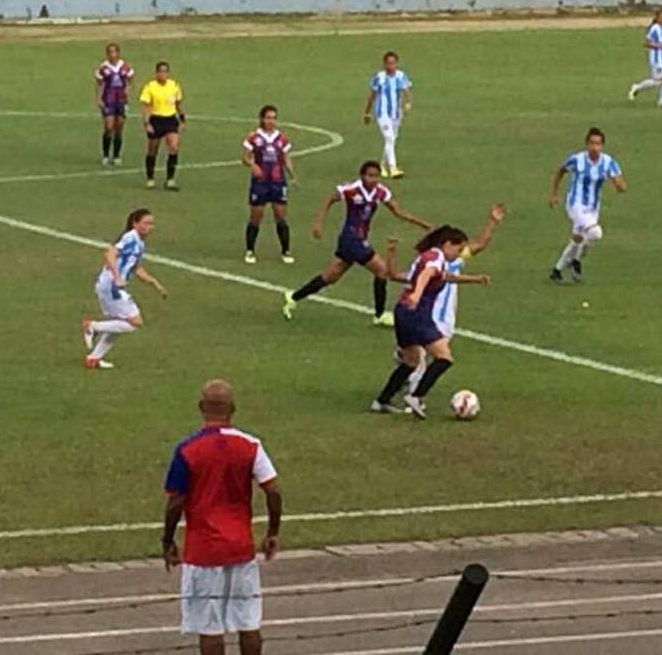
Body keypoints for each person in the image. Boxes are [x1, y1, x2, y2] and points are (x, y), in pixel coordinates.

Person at [163, 379, 282, 655]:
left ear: (201, 407)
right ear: (233, 408)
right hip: (240, 547)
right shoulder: (250, 445)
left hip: (203, 551)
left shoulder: (187, 449)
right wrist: (272, 532)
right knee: (249, 622)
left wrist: (167, 540)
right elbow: (273, 491)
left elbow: (175, 502)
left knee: (209, 627)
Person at [381, 204, 506, 414]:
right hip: (428, 314)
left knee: (420, 358)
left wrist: (492, 222)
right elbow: (414, 276)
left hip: (444, 316)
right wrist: (416, 294)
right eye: (458, 248)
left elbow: (479, 245)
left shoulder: (451, 260)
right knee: (431, 358)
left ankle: (394, 394)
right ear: (446, 244)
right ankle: (414, 399)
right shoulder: (432, 261)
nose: (460, 252)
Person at [282, 160, 430, 326]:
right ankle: (380, 315)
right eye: (370, 176)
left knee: (329, 277)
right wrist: (318, 222)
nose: (373, 179)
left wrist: (423, 224)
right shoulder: (352, 189)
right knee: (382, 270)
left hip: (356, 240)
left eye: (376, 176)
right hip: (351, 239)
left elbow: (398, 211)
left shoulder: (380, 192)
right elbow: (329, 198)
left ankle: (293, 297)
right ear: (362, 176)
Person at [81, 208, 168, 369]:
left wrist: (154, 283)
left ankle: (94, 358)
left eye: (151, 224)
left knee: (121, 323)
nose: (150, 227)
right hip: (111, 286)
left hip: (110, 286)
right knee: (135, 322)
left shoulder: (139, 242)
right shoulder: (130, 238)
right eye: (146, 223)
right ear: (135, 223)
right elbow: (109, 253)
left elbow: (135, 267)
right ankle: (93, 326)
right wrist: (117, 276)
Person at [548, 127, 627, 284]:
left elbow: (619, 181)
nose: (594, 147)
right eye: (592, 143)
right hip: (575, 204)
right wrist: (554, 193)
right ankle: (576, 261)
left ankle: (557, 271)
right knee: (595, 233)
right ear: (586, 144)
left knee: (578, 238)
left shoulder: (608, 162)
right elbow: (560, 171)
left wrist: (620, 186)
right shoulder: (577, 159)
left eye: (598, 144)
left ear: (602, 145)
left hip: (593, 207)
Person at [241, 105, 296, 265]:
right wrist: (253, 166)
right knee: (256, 216)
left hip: (278, 181)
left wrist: (292, 173)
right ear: (262, 119)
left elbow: (285, 157)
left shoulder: (282, 138)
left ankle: (286, 251)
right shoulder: (254, 137)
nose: (271, 121)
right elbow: (245, 157)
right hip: (260, 182)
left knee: (281, 216)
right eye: (268, 118)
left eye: (273, 118)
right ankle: (250, 250)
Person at [362, 51, 412, 179]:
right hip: (382, 114)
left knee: (391, 139)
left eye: (393, 63)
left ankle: (382, 165)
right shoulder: (379, 77)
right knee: (389, 138)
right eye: (389, 63)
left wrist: (407, 103)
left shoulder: (401, 76)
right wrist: (367, 113)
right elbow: (372, 96)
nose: (391, 66)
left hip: (396, 114)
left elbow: (406, 91)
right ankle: (393, 168)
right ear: (384, 64)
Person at [140, 61, 186, 191]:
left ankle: (170, 180)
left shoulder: (174, 85)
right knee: (152, 151)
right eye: (161, 71)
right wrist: (147, 123)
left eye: (165, 71)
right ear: (156, 73)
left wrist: (182, 119)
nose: (163, 74)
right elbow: (145, 106)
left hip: (170, 119)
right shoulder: (150, 87)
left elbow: (178, 104)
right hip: (156, 119)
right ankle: (150, 178)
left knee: (173, 147)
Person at [94, 42, 134, 166]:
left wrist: (128, 89)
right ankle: (106, 155)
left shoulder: (125, 66)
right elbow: (99, 84)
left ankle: (116, 155)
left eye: (114, 52)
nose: (112, 54)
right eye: (110, 52)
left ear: (118, 53)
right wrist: (99, 98)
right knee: (108, 127)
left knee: (119, 127)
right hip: (108, 99)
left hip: (121, 100)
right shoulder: (103, 68)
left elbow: (130, 80)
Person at [628, 9, 662, 110]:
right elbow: (647, 43)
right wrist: (657, 46)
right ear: (657, 18)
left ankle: (661, 102)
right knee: (657, 81)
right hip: (657, 59)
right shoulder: (654, 28)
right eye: (661, 18)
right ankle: (637, 87)